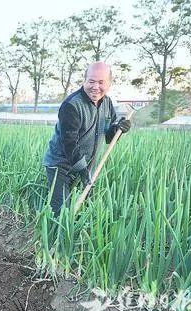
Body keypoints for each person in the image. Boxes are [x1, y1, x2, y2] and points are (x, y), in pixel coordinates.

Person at [43, 62, 131, 216]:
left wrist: (119, 129)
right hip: (61, 166)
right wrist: (82, 171)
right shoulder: (71, 105)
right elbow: (69, 143)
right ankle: (55, 239)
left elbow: (109, 137)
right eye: (91, 81)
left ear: (109, 84)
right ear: (84, 81)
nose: (95, 87)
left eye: (101, 82)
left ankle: (79, 237)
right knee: (61, 212)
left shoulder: (108, 103)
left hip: (86, 166)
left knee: (85, 211)